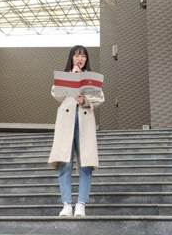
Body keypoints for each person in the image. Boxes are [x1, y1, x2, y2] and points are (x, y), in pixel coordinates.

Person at [48, 45, 104, 217]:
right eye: (77, 55)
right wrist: (72, 77)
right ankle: (66, 204)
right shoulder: (65, 76)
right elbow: (56, 94)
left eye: (83, 56)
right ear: (71, 58)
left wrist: (85, 100)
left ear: (87, 59)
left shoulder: (91, 79)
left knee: (85, 164)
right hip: (66, 122)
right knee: (64, 163)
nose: (80, 59)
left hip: (84, 122)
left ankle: (81, 204)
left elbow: (100, 98)